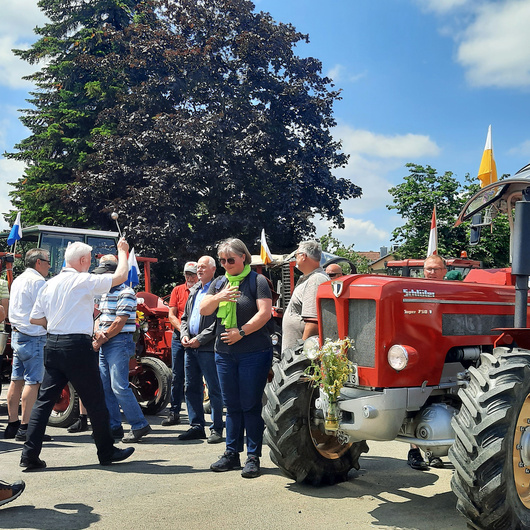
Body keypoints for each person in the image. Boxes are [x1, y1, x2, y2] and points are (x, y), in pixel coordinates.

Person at [21, 239, 135, 471]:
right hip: (77, 346)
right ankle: (106, 451)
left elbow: (35, 319)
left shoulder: (49, 284)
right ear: (82, 261)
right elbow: (121, 276)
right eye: (90, 259)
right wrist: (122, 252)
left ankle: (29, 454)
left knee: (43, 403)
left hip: (53, 344)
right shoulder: (83, 280)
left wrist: (56, 324)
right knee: (95, 401)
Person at [200, 238, 273, 479]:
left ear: (244, 257)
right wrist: (220, 297)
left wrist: (241, 332)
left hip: (253, 352)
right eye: (222, 260)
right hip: (224, 354)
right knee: (231, 406)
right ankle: (232, 454)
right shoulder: (219, 282)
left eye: (230, 259)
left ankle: (253, 457)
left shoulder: (257, 281)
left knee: (250, 405)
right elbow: (204, 309)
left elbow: (264, 314)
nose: (226, 264)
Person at [92, 255, 151, 443]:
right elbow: (99, 317)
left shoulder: (126, 292)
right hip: (108, 341)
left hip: (118, 342)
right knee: (106, 386)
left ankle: (139, 424)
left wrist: (102, 337)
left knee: (118, 386)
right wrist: (98, 334)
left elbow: (120, 321)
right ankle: (114, 426)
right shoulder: (104, 293)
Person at [5, 249, 51, 441]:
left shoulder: (18, 279)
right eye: (48, 261)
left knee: (16, 380)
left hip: (18, 333)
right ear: (38, 262)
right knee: (33, 382)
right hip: (34, 335)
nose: (49, 265)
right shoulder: (39, 282)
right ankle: (27, 428)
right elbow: (45, 310)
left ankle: (13, 423)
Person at [407, 254, 447, 471]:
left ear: (444, 272)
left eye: (435, 269)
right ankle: (414, 451)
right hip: (418, 353)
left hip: (441, 354)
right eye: (428, 269)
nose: (431, 272)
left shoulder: (451, 293)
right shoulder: (415, 290)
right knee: (415, 404)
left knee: (436, 401)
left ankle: (433, 454)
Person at [179, 256, 224, 444]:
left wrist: (200, 339)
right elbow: (184, 317)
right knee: (191, 387)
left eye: (203, 267)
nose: (199, 270)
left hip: (207, 348)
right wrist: (184, 335)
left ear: (213, 269)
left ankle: (217, 428)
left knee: (214, 388)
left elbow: (218, 321)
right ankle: (196, 426)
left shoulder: (219, 289)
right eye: (198, 267)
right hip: (190, 347)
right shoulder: (195, 290)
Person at [162, 261, 198, 427]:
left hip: (199, 337)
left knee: (199, 376)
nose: (190, 277)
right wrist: (183, 332)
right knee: (177, 375)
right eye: (187, 274)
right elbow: (171, 315)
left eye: (193, 274)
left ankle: (200, 416)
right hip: (179, 337)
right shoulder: (177, 290)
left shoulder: (204, 290)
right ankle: (174, 411)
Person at [281, 240, 329, 354]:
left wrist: (300, 355)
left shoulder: (315, 280)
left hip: (299, 360)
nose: (295, 259)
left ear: (303, 256)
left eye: (296, 255)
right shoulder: (311, 278)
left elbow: (313, 324)